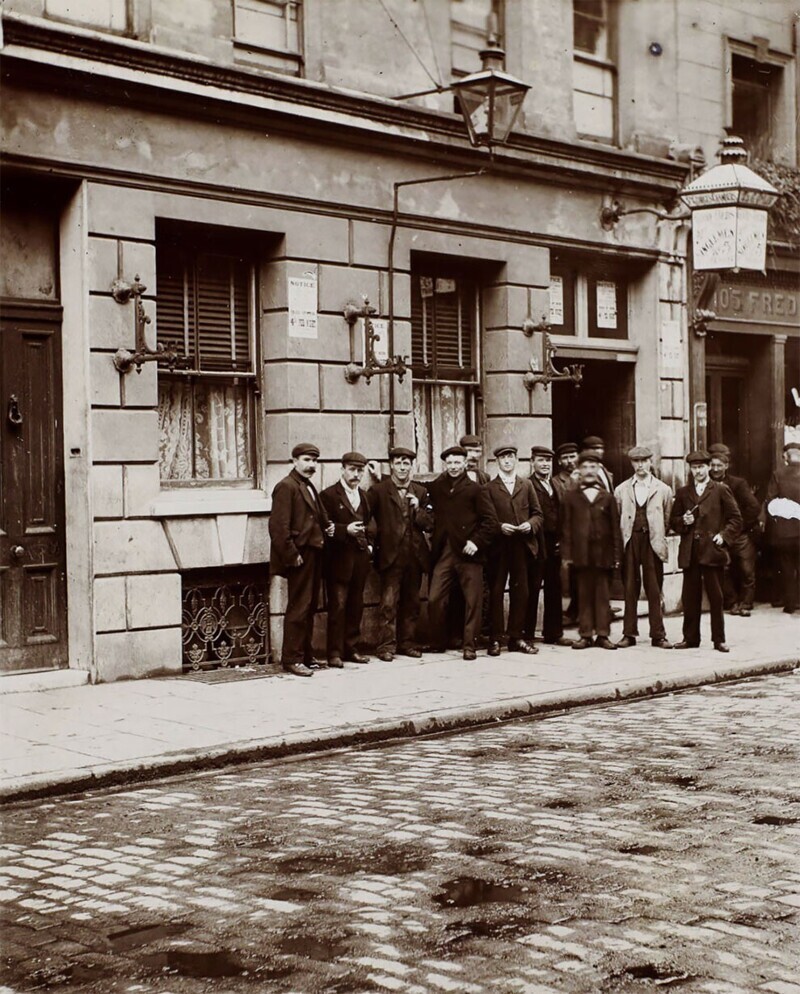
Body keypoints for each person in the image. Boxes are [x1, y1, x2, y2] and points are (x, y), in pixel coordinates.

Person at [269, 443, 335, 677]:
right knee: (299, 607)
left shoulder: (307, 486)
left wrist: (328, 527)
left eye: (314, 461)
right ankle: (291, 659)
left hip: (314, 553)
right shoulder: (286, 487)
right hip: (300, 555)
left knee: (308, 607)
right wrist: (292, 555)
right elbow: (278, 528)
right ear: (294, 461)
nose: (311, 465)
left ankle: (305, 655)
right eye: (307, 460)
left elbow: (318, 515)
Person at [427, 445, 498, 660]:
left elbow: (491, 523)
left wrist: (476, 543)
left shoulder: (476, 489)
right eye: (449, 463)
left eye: (457, 462)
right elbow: (416, 486)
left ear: (465, 463)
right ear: (445, 464)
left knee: (472, 601)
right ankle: (438, 642)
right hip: (445, 552)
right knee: (434, 598)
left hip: (469, 553)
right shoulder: (438, 486)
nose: (453, 467)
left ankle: (470, 646)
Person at [670, 450, 742, 652]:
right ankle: (690, 638)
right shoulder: (684, 493)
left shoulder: (720, 489)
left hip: (712, 551)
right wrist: (683, 522)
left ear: (709, 467)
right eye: (694, 468)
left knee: (716, 597)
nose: (698, 471)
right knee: (689, 597)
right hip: (690, 552)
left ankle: (719, 639)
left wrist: (724, 536)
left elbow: (736, 519)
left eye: (701, 467)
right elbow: (673, 521)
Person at [366, 446, 432, 662]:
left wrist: (417, 509)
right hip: (390, 556)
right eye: (398, 463)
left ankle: (407, 643)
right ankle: (386, 646)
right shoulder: (379, 491)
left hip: (415, 556)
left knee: (412, 603)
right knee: (388, 604)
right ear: (391, 465)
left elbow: (430, 524)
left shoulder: (420, 492)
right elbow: (368, 520)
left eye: (407, 463)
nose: (402, 467)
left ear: (411, 466)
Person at [560, 450, 622, 650]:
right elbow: (566, 528)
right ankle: (585, 634)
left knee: (603, 596)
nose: (588, 471)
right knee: (584, 595)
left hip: (603, 556)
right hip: (581, 555)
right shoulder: (571, 497)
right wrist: (567, 556)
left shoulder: (608, 497)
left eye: (592, 467)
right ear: (579, 469)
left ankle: (603, 634)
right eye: (585, 467)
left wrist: (616, 556)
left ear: (598, 469)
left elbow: (615, 529)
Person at [485, 443, 543, 655]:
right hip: (499, 547)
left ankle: (516, 637)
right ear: (497, 462)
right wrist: (500, 527)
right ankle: (495, 639)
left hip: (522, 545)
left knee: (522, 591)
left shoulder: (526, 485)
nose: (507, 461)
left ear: (516, 460)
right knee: (497, 591)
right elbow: (487, 519)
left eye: (511, 457)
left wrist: (530, 525)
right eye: (503, 458)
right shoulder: (490, 488)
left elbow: (538, 514)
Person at [614, 446, 674, 649]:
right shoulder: (622, 490)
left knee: (654, 588)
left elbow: (666, 518)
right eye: (636, 462)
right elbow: (619, 516)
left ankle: (658, 635)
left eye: (644, 461)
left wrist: (657, 534)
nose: (640, 465)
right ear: (631, 464)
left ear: (650, 462)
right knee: (630, 587)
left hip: (653, 542)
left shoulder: (663, 489)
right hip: (630, 541)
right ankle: (629, 633)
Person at [320, 452, 373, 669]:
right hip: (338, 561)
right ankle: (334, 652)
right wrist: (345, 530)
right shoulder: (329, 496)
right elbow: (324, 527)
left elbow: (372, 524)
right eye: (352, 469)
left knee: (356, 605)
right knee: (338, 606)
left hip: (359, 560)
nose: (356, 474)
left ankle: (351, 648)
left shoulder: (364, 496)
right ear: (342, 470)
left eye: (360, 470)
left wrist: (369, 546)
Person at [527, 445, 574, 646]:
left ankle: (553, 633)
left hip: (554, 543)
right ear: (532, 462)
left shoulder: (554, 485)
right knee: (532, 587)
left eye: (548, 461)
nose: (545, 464)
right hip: (536, 543)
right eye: (540, 460)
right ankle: (526, 633)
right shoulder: (527, 485)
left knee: (554, 587)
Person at [708, 443, 761, 617]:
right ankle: (731, 603)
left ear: (726, 466)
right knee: (722, 569)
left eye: (719, 466)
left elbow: (753, 507)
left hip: (739, 535)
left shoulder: (738, 484)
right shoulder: (704, 484)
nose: (715, 469)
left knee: (747, 569)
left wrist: (739, 527)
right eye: (712, 465)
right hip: (718, 535)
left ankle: (746, 604)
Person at [764, 440, 800, 615]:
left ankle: (790, 603)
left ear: (785, 457)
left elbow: (771, 502)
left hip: (785, 532)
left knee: (786, 567)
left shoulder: (778, 474)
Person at [553, 442, 580, 625]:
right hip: (568, 534)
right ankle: (571, 611)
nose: (569, 461)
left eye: (572, 456)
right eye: (565, 457)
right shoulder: (556, 482)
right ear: (560, 461)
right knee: (569, 575)